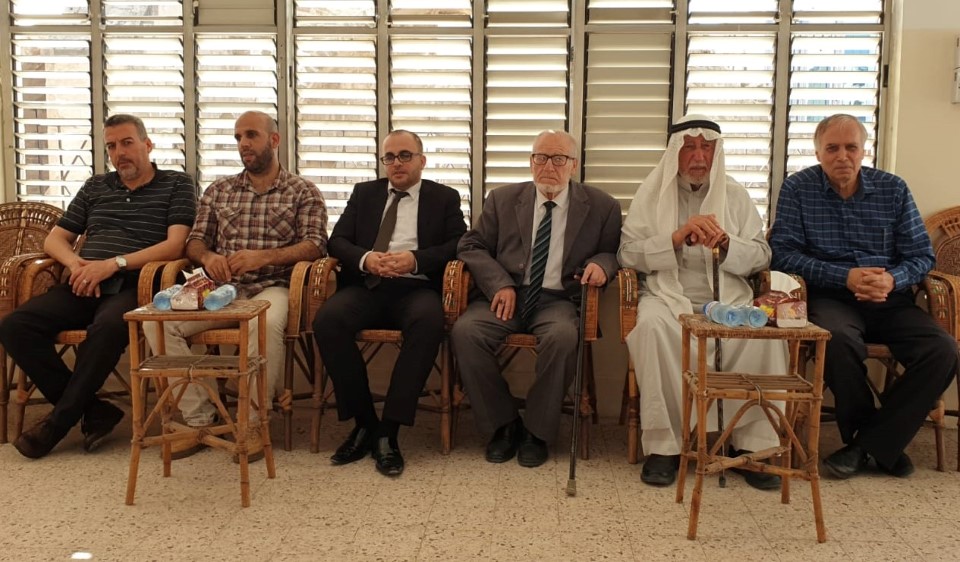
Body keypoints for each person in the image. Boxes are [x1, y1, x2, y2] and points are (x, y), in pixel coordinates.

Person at [770, 113, 958, 479]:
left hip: (890, 299)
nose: (842, 156)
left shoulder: (893, 189)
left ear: (863, 150)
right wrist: (845, 276)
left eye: (851, 147)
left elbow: (922, 256)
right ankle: (880, 444)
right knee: (836, 339)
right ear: (818, 152)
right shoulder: (797, 189)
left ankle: (865, 445)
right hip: (830, 297)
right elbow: (783, 254)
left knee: (943, 350)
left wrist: (891, 278)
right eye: (832, 148)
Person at [0, 114, 198, 459]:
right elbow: (54, 240)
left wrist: (113, 264)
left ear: (147, 144)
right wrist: (77, 265)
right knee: (15, 326)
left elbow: (175, 245)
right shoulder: (96, 186)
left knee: (107, 328)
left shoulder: (176, 184)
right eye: (112, 146)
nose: (119, 152)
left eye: (127, 143)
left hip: (136, 283)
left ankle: (57, 424)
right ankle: (93, 410)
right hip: (85, 280)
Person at [144, 111, 328, 462]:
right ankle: (200, 419)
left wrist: (264, 257)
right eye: (238, 137)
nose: (243, 143)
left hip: (273, 286)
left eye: (251, 135)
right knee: (158, 323)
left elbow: (316, 245)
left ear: (274, 140)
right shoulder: (219, 190)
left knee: (265, 321)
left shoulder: (302, 191)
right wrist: (208, 256)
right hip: (219, 289)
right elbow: (195, 242)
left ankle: (254, 423)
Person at [618, 114, 787, 489]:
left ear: (716, 152)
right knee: (651, 329)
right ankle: (665, 448)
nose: (698, 156)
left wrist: (726, 242)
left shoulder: (735, 195)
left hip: (729, 298)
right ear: (674, 153)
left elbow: (761, 256)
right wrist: (675, 238)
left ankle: (751, 448)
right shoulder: (651, 193)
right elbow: (626, 254)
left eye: (706, 147)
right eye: (690, 147)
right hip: (666, 296)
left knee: (765, 337)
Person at [451, 130, 621, 469]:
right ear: (531, 162)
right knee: (466, 332)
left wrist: (602, 266)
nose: (549, 167)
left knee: (563, 336)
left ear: (574, 164)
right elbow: (471, 245)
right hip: (507, 295)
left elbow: (613, 252)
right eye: (541, 158)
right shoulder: (502, 199)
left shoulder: (603, 206)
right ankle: (503, 423)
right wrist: (499, 284)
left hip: (558, 299)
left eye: (558, 159)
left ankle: (537, 432)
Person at [312, 130, 465, 477]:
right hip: (368, 285)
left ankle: (389, 430)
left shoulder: (444, 198)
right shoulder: (364, 193)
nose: (397, 163)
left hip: (416, 288)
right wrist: (366, 258)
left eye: (405, 155)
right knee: (328, 321)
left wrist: (416, 259)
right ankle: (365, 423)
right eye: (390, 157)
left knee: (429, 322)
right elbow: (337, 241)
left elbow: (458, 244)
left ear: (421, 160)